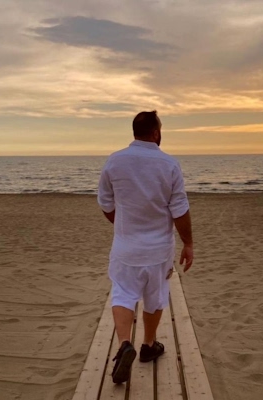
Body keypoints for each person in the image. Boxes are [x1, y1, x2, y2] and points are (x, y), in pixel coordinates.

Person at [97, 110, 193, 384]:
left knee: (123, 293)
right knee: (156, 296)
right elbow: (179, 209)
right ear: (156, 132)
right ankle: (149, 345)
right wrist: (188, 243)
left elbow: (105, 202)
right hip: (158, 250)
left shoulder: (115, 161)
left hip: (126, 248)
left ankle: (124, 343)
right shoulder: (169, 164)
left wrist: (122, 224)